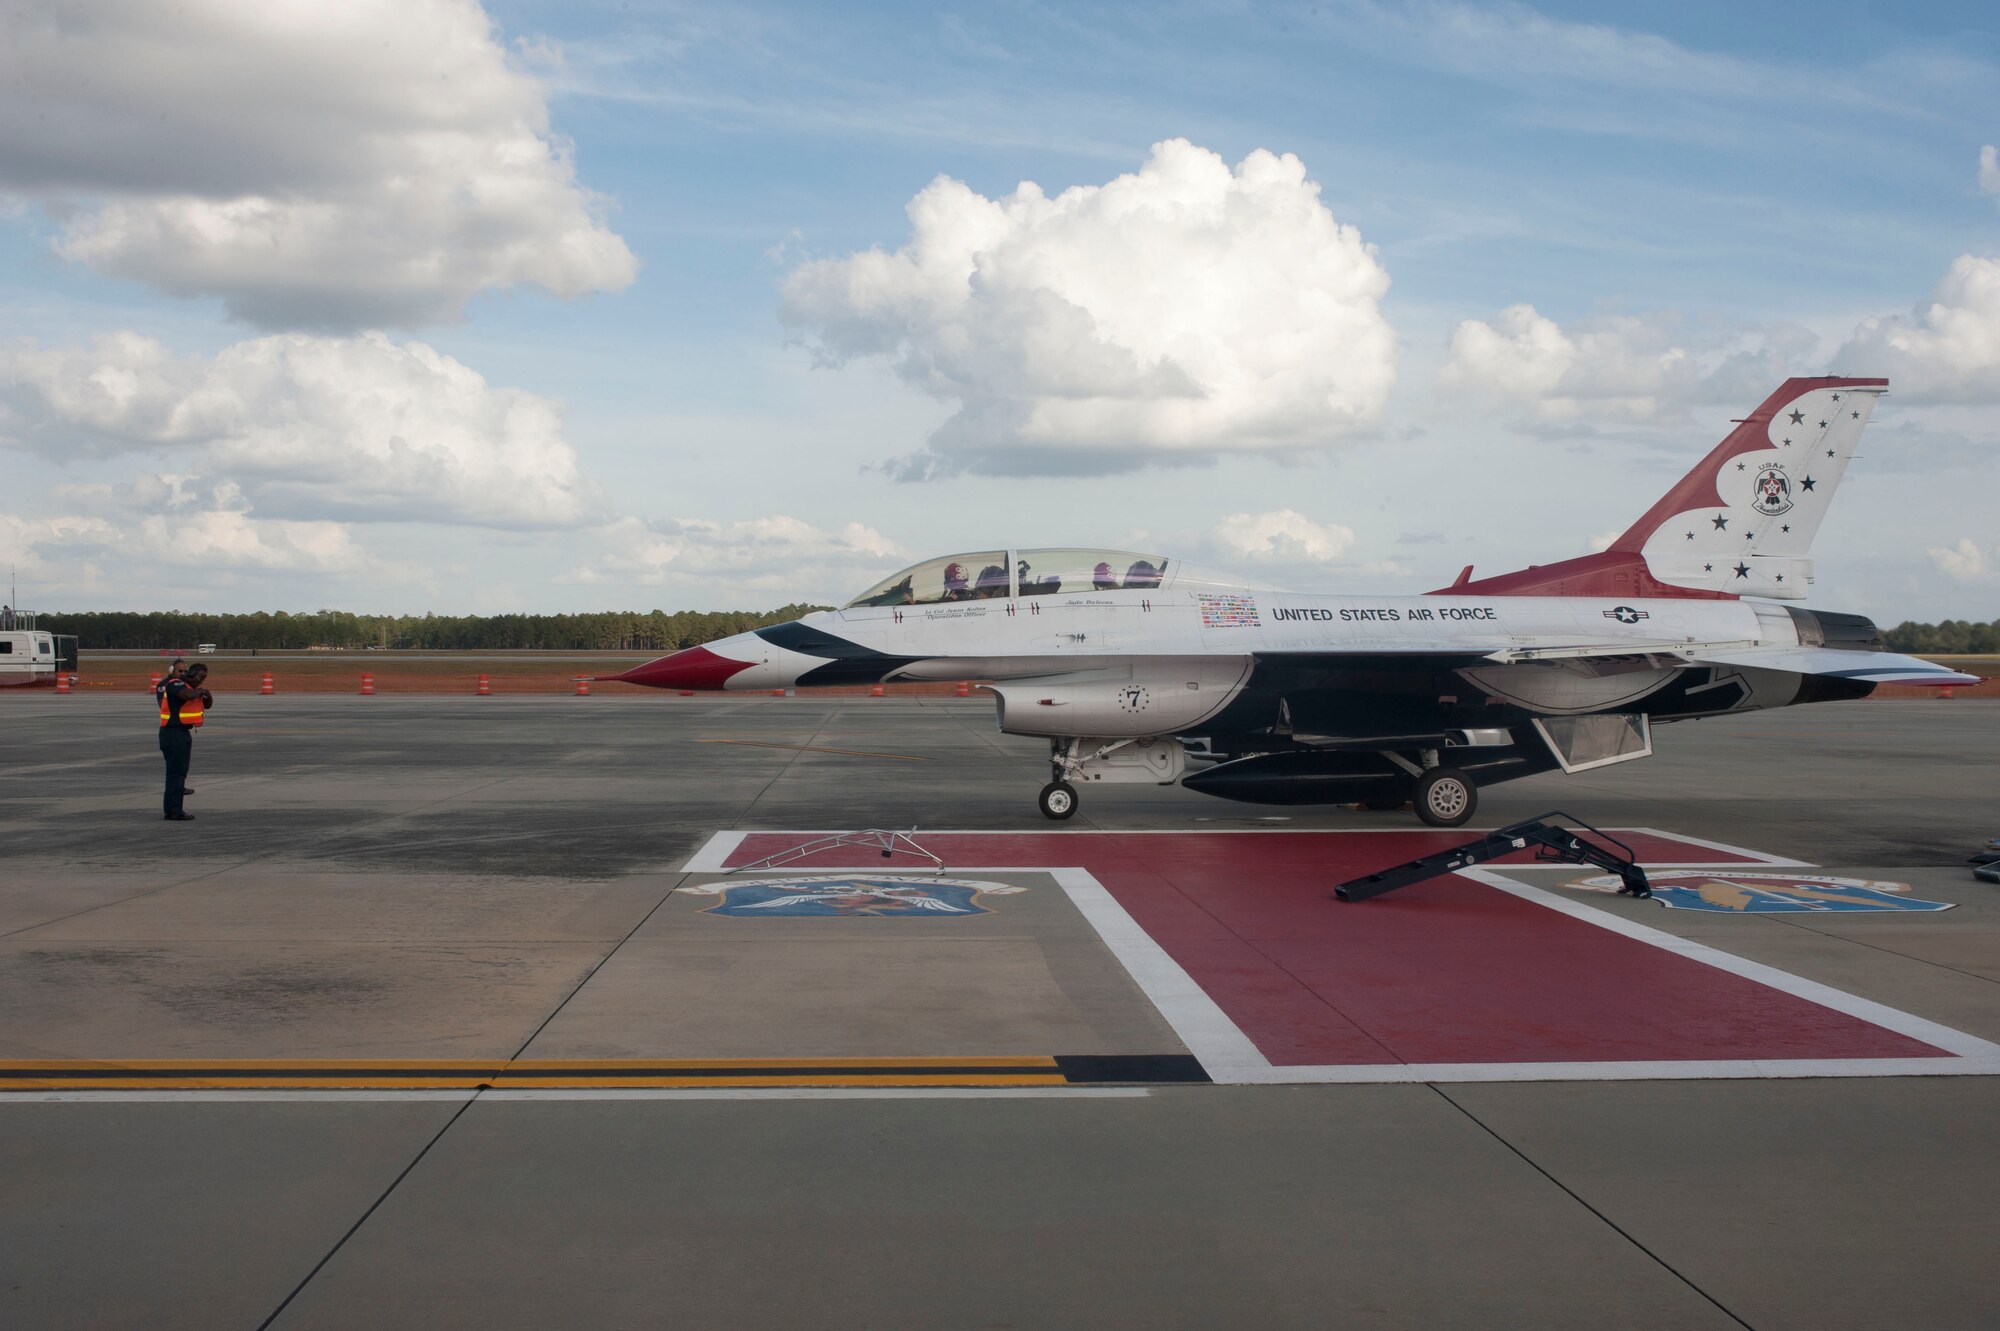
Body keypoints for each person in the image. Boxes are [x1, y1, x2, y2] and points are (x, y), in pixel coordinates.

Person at [159, 662, 212, 821]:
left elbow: (207, 705)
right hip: (172, 733)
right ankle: (174, 810)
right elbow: (186, 695)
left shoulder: (193, 688)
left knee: (180, 773)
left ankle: (173, 808)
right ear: (192, 674)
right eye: (200, 678)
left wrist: (207, 695)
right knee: (176, 773)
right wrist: (199, 691)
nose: (200, 682)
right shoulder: (176, 684)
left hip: (183, 733)